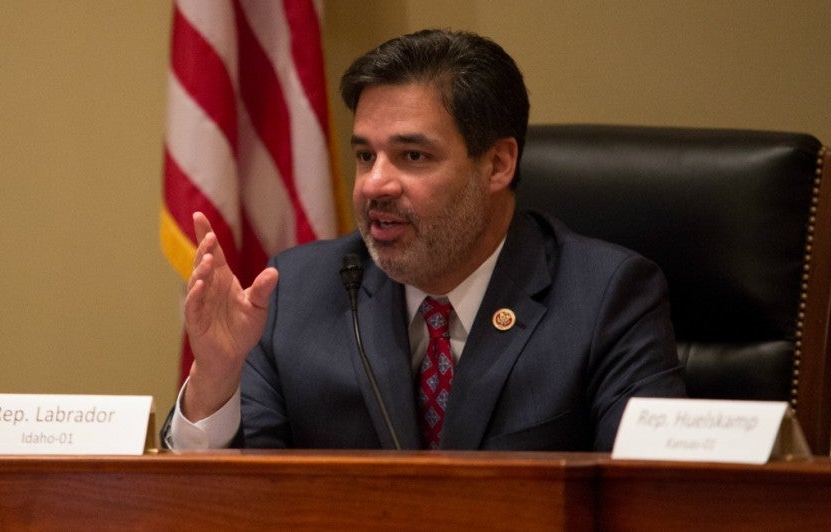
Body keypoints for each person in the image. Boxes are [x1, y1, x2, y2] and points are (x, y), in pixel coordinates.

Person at [162, 28, 686, 451]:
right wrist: (216, 379)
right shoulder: (296, 291)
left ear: (498, 164)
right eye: (365, 155)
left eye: (413, 156)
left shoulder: (605, 297)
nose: (374, 184)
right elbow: (234, 500)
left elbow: (651, 495)